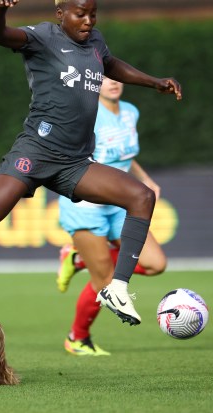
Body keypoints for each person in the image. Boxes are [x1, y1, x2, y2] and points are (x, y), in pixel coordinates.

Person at [0, 0, 182, 326]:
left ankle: (117, 287)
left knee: (142, 197)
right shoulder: (43, 36)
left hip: (75, 161)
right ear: (60, 14)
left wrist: (154, 82)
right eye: (80, 14)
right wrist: (1, 10)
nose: (88, 20)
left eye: (93, 14)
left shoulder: (95, 42)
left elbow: (110, 63)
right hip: (36, 152)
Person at [56, 77, 167, 356]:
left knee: (156, 263)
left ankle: (79, 258)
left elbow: (124, 156)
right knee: (104, 281)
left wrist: (145, 179)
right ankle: (76, 338)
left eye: (118, 77)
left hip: (119, 203)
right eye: (105, 78)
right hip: (85, 205)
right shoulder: (85, 114)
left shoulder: (131, 111)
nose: (114, 82)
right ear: (94, 82)